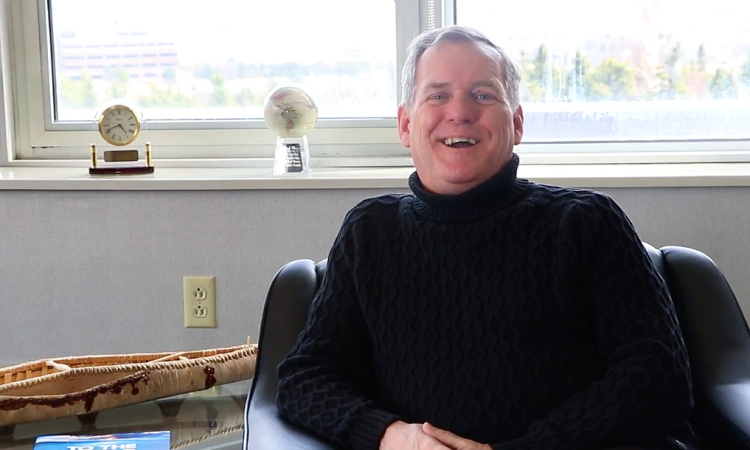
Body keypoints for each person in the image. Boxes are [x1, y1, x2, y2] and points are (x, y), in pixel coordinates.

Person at [276, 25, 699, 450]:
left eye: (483, 95)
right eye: (437, 95)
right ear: (406, 125)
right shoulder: (369, 231)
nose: (459, 112)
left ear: (516, 123)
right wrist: (390, 436)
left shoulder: (586, 222)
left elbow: (658, 376)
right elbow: (306, 378)